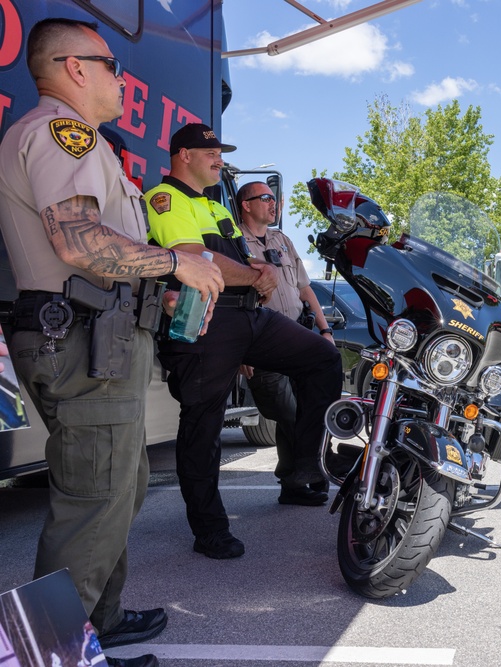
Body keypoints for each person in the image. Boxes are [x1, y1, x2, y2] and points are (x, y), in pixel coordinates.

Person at [0, 18, 223, 667]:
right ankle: (45, 655)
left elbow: (110, 251)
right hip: (77, 337)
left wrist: (164, 275)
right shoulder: (59, 132)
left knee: (118, 487)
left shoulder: (86, 144)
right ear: (74, 67)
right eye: (109, 64)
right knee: (93, 500)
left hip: (104, 336)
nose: (120, 77)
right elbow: (78, 242)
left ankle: (101, 620)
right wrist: (174, 263)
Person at [145, 123, 342, 559]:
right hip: (207, 321)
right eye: (210, 151)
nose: (219, 158)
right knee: (204, 425)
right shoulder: (166, 199)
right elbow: (195, 259)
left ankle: (305, 464)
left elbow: (239, 256)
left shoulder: (213, 205)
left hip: (249, 314)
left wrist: (258, 269)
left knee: (322, 359)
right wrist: (257, 274)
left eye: (220, 151)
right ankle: (210, 529)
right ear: (184, 155)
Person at [236, 180, 336, 506]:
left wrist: (324, 331)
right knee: (290, 413)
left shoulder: (282, 240)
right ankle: (304, 474)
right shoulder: (234, 242)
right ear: (246, 204)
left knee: (309, 409)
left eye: (274, 197)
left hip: (297, 336)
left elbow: (305, 290)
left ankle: (296, 483)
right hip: (261, 342)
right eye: (264, 198)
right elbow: (232, 298)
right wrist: (241, 349)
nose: (273, 202)